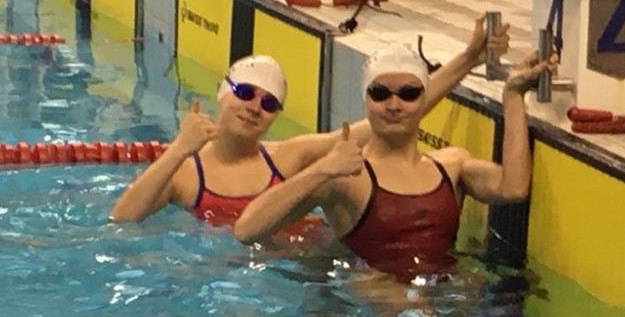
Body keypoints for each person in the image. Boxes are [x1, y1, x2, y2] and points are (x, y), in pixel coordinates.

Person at [109, 15, 510, 227]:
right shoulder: (185, 173)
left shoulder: (289, 157)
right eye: (245, 93)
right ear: (222, 92)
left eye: (269, 104)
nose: (255, 107)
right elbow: (123, 218)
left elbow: (391, 116)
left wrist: (466, 60)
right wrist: (179, 149)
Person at [233, 43, 554, 282]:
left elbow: (513, 188)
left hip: (447, 304)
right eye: (380, 93)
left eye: (408, 93)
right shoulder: (345, 177)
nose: (394, 104)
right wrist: (321, 169)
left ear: (423, 99)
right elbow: (247, 230)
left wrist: (513, 96)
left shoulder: (452, 167)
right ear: (366, 100)